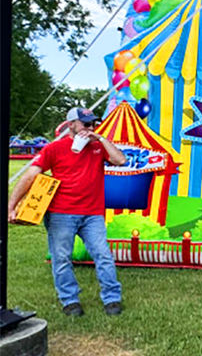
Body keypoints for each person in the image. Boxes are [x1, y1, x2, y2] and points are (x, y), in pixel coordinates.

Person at [8, 106, 126, 316]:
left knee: (103, 255)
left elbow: (121, 160)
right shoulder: (54, 149)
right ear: (71, 124)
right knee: (61, 257)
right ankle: (70, 301)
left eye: (94, 124)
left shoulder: (98, 147)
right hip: (61, 213)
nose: (91, 128)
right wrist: (11, 206)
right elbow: (30, 175)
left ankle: (112, 299)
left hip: (93, 214)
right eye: (86, 124)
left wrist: (100, 139)